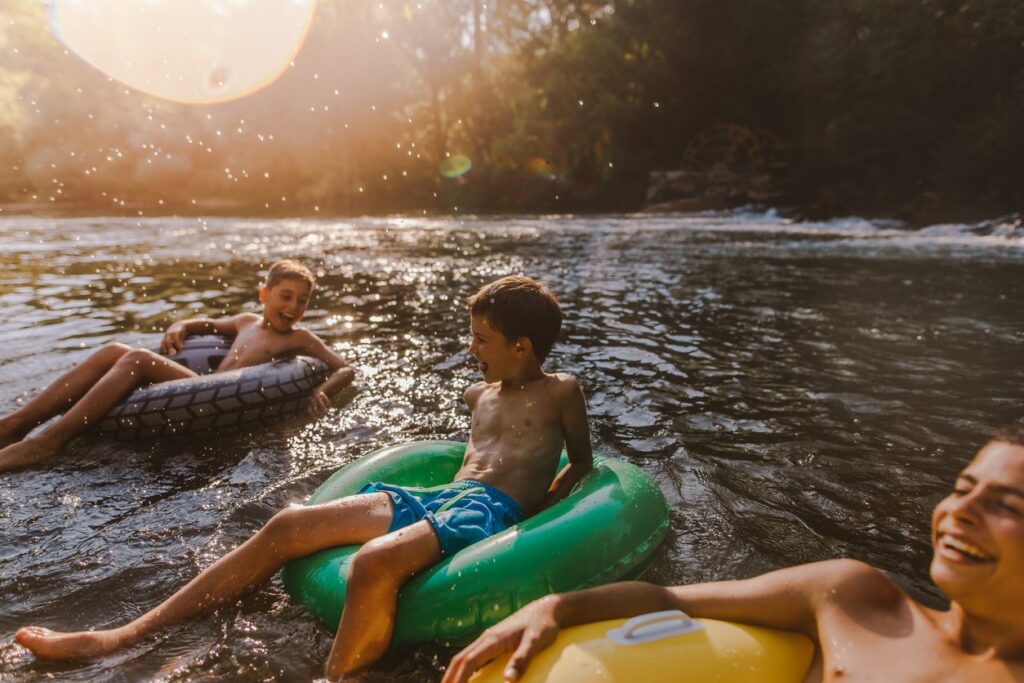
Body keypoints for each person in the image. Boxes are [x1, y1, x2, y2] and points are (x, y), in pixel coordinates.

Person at [14, 274, 594, 681]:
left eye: (481, 340)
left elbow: (584, 466)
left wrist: (540, 511)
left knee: (373, 564)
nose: (471, 350)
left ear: (521, 346)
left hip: (490, 511)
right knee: (287, 523)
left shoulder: (560, 391)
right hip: (444, 496)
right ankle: (122, 636)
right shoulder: (479, 393)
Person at [443, 425, 1024, 683]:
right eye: (962, 487)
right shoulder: (857, 595)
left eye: (1007, 505)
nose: (961, 511)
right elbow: (670, 599)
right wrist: (556, 609)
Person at [0, 259, 354, 472]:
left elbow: (343, 368)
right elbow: (209, 325)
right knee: (114, 350)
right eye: (286, 296)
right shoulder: (246, 320)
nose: (293, 307)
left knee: (137, 359)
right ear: (265, 295)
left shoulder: (299, 338)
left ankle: (49, 441)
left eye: (302, 301)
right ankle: (17, 424)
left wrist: (324, 389)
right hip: (201, 383)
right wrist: (180, 325)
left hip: (219, 391)